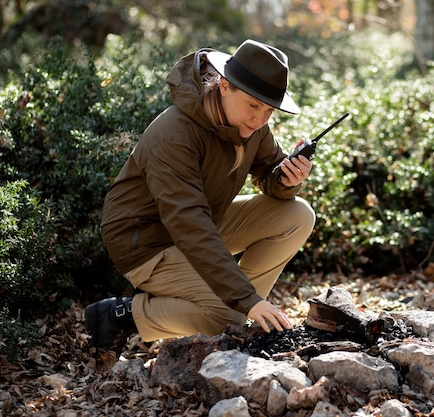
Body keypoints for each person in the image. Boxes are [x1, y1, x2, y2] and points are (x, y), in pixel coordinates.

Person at [85, 39, 316, 350]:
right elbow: (188, 221)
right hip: (145, 242)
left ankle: (235, 313)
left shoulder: (253, 127)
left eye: (269, 110)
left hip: (204, 223)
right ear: (224, 86)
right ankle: (122, 314)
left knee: (297, 215)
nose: (260, 119)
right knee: (230, 313)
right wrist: (244, 300)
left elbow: (270, 176)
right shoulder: (174, 132)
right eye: (253, 105)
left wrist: (289, 179)